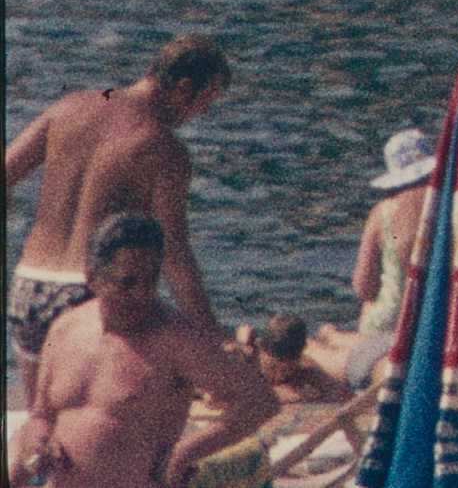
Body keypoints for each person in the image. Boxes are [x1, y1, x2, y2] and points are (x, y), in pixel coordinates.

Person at [5, 45, 228, 391]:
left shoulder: (68, 107)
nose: (203, 112)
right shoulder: (163, 148)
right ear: (184, 86)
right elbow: (174, 254)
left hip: (29, 286)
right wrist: (212, 338)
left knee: (44, 421)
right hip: (94, 293)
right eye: (207, 99)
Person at [8, 213, 267, 488]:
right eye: (128, 283)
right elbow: (41, 415)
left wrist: (185, 452)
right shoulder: (66, 329)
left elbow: (259, 401)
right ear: (93, 279)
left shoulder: (174, 338)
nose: (143, 294)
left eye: (151, 280)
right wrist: (40, 440)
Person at [343, 139, 436, 373]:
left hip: (392, 322)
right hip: (438, 314)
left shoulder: (382, 213)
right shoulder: (451, 203)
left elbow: (364, 286)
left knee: (367, 306)